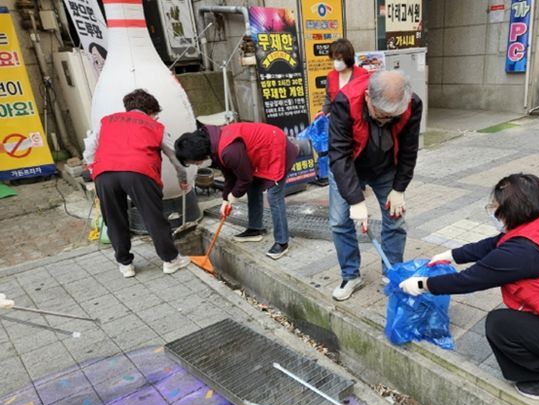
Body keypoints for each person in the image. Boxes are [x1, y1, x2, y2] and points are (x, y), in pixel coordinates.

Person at [399, 174, 539, 401]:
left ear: (513, 210)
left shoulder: (523, 252)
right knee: (520, 318)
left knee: (501, 325)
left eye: (495, 205)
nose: (491, 210)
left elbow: (469, 280)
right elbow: (496, 243)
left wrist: (421, 285)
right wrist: (451, 255)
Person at [328, 69, 422, 301]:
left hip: (386, 168)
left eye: (392, 117)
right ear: (368, 97)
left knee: (396, 220)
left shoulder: (411, 104)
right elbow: (339, 155)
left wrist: (399, 189)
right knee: (339, 221)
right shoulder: (344, 102)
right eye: (381, 115)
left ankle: (392, 272)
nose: (385, 121)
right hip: (349, 166)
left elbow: (409, 150)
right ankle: (350, 275)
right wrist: (355, 200)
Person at [84, 89, 191, 278]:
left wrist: (94, 169)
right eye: (155, 114)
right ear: (151, 111)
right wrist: (183, 180)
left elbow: (90, 149)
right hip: (139, 171)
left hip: (105, 174)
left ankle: (125, 265)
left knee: (114, 219)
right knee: (153, 217)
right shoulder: (155, 126)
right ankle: (170, 260)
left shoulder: (106, 121)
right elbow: (175, 156)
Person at [174, 122, 299, 260]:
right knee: (253, 188)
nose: (194, 164)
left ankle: (282, 242)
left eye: (192, 161)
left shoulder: (228, 150)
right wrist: (225, 199)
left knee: (273, 196)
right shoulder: (213, 144)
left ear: (197, 154)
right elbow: (230, 175)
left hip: (277, 148)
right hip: (261, 151)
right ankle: (255, 229)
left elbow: (245, 179)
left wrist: (234, 195)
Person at [320, 38, 368, 116]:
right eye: (334, 59)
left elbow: (368, 99)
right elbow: (328, 98)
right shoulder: (331, 76)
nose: (336, 62)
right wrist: (323, 112)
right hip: (337, 119)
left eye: (339, 59)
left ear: (348, 57)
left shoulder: (362, 74)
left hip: (357, 119)